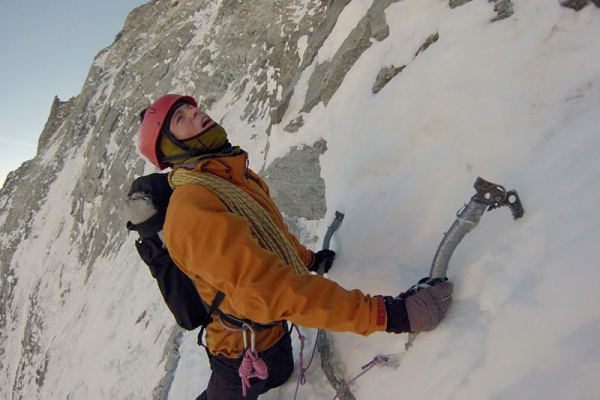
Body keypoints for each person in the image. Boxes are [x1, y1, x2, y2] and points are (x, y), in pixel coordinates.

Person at [132, 94, 453, 400]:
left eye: (192, 108)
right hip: (236, 348)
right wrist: (391, 315)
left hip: (271, 331)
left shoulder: (232, 175)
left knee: (280, 374)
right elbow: (270, 290)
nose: (197, 114)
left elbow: (273, 233)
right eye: (180, 118)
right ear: (168, 148)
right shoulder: (192, 210)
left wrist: (309, 259)